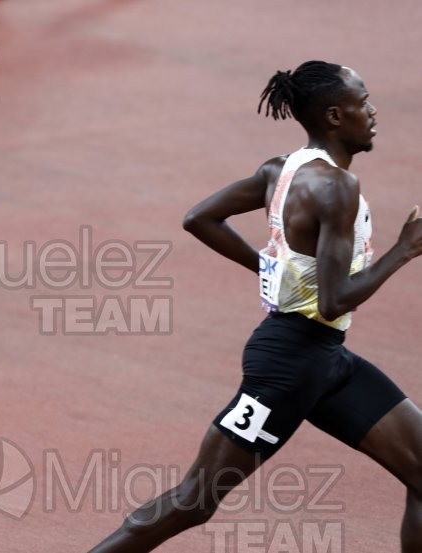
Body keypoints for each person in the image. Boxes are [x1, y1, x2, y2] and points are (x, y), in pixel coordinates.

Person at [89, 61, 422, 552]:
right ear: (334, 115)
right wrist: (405, 249)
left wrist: (271, 270)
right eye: (363, 102)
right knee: (194, 501)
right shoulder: (336, 188)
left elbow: (200, 218)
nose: (373, 112)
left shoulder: (279, 170)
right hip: (291, 365)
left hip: (324, 359)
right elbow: (333, 303)